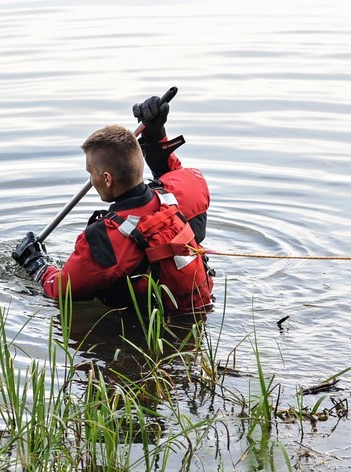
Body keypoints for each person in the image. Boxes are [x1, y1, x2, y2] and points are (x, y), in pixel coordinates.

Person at [12, 95, 213, 312]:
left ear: (107, 179)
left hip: (148, 329)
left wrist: (36, 263)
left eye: (91, 172)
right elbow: (171, 174)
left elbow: (59, 290)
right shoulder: (184, 192)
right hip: (201, 310)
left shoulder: (105, 238)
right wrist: (156, 134)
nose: (91, 180)